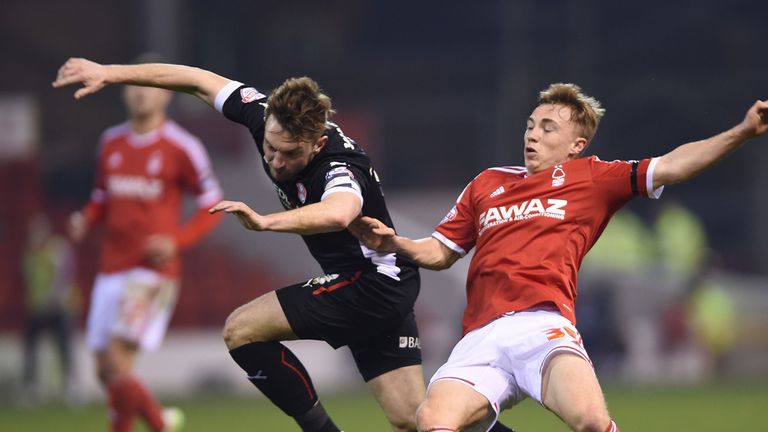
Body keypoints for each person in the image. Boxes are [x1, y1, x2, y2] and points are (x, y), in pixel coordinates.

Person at [349, 83, 768, 432]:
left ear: (576, 145)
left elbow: (673, 166)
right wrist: (395, 244)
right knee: (432, 421)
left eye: (548, 128)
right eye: (530, 125)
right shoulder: (487, 184)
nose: (532, 134)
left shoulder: (591, 177)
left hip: (543, 325)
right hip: (481, 336)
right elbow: (441, 251)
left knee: (589, 420)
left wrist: (743, 131)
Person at [62, 54, 224, 432]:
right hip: (111, 266)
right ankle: (158, 423)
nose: (140, 95)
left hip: (152, 272)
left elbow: (212, 204)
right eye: (133, 87)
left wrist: (177, 240)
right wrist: (85, 219)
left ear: (166, 94)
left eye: (149, 87)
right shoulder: (111, 142)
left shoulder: (182, 146)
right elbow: (102, 197)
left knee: (118, 361)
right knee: (104, 370)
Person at [21, 213, 80, 406]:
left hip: (59, 307)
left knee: (64, 348)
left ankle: (71, 388)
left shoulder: (57, 249)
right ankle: (32, 388)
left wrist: (51, 299)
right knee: (31, 348)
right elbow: (29, 281)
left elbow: (64, 275)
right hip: (37, 309)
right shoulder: (30, 253)